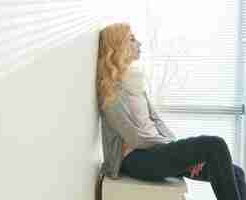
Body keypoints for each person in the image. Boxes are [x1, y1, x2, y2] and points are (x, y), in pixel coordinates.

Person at [95, 22, 246, 200]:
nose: (139, 43)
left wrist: (181, 154)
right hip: (137, 159)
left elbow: (157, 121)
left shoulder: (134, 83)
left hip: (158, 151)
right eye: (132, 39)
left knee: (236, 172)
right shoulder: (110, 92)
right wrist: (175, 151)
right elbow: (134, 137)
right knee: (215, 145)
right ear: (119, 46)